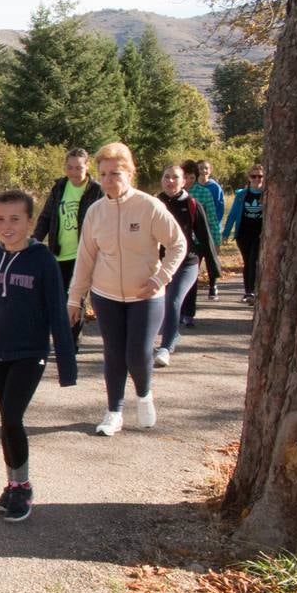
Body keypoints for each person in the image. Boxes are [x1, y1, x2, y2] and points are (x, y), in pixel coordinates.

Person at [0, 190, 77, 523]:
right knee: (6, 421)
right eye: (0, 219)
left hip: (30, 352)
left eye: (15, 219)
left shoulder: (43, 260)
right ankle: (11, 484)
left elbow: (56, 311)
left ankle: (23, 486)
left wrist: (66, 367)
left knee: (12, 416)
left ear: (29, 221)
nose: (7, 226)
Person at [67, 143, 186, 436]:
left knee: (137, 351)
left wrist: (160, 279)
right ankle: (114, 412)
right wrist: (74, 299)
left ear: (130, 173)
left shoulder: (148, 206)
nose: (109, 180)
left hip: (145, 295)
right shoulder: (96, 212)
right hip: (106, 295)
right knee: (114, 353)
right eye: (104, 174)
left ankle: (144, 396)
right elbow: (85, 258)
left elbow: (177, 244)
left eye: (115, 173)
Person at [32, 147, 102, 347]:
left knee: (75, 298)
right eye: (69, 167)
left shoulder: (96, 190)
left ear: (87, 166)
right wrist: (36, 239)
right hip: (59, 253)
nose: (73, 172)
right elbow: (46, 216)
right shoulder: (60, 187)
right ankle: (64, 338)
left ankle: (70, 343)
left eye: (78, 167)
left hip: (84, 254)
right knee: (58, 298)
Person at [155, 164, 221, 367]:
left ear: (184, 181)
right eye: (167, 177)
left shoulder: (192, 204)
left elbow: (205, 239)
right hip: (159, 264)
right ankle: (170, 335)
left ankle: (165, 347)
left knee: (173, 299)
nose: (170, 181)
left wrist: (213, 272)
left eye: (175, 177)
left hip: (187, 263)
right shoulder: (154, 203)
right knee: (156, 303)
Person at [179, 158, 223, 321]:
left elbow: (211, 218)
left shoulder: (204, 193)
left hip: (198, 242)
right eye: (186, 177)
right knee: (177, 277)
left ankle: (188, 313)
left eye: (192, 177)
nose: (189, 181)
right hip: (178, 242)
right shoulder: (175, 193)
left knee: (191, 276)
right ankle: (178, 310)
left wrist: (216, 241)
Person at [222, 164, 266, 304]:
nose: (257, 179)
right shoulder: (242, 195)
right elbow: (233, 214)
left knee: (254, 260)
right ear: (249, 177)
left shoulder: (267, 193)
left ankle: (253, 291)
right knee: (248, 262)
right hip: (243, 233)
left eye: (260, 176)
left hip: (260, 234)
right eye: (253, 176)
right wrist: (226, 233)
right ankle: (248, 291)